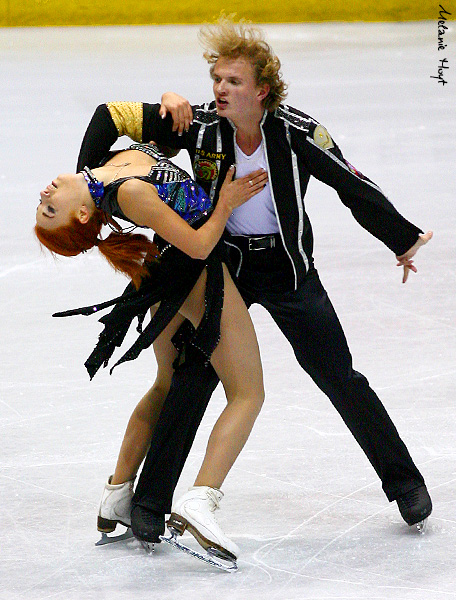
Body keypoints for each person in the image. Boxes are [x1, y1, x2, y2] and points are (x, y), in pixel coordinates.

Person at [75, 15, 433, 545]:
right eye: (215, 79)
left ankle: (405, 484)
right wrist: (95, 175)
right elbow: (109, 118)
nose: (219, 89)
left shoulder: (296, 131)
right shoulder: (198, 127)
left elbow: (353, 182)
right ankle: (149, 503)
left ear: (261, 90)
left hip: (289, 273)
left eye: (232, 81)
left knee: (339, 376)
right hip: (225, 271)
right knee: (193, 376)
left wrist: (401, 239)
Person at [35, 140, 269, 562]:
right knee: (248, 392)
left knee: (165, 383)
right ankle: (201, 501)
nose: (44, 195)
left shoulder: (104, 173)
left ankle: (117, 495)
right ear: (83, 215)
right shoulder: (128, 193)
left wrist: (166, 99)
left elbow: (113, 114)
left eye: (45, 205)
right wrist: (228, 202)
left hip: (163, 269)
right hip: (194, 272)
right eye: (50, 210)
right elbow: (198, 246)